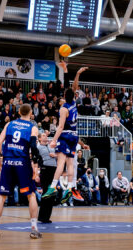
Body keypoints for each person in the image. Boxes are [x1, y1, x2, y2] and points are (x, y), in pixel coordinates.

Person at [0, 104, 42, 239]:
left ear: (19, 112)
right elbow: (33, 147)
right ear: (31, 113)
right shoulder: (33, 127)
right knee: (31, 195)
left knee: (2, 195)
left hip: (7, 161)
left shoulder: (10, 124)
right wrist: (35, 167)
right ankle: (34, 229)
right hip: (22, 162)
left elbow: (0, 141)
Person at [42, 66, 88, 204]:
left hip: (66, 135)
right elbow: (72, 86)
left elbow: (61, 126)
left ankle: (52, 187)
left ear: (63, 98)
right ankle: (69, 189)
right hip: (74, 136)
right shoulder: (73, 102)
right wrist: (76, 72)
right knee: (70, 164)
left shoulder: (63, 109)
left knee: (61, 163)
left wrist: (53, 140)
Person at [37, 133, 57, 223]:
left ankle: (47, 217)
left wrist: (55, 156)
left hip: (54, 170)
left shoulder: (51, 146)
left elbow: (59, 156)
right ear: (40, 138)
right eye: (44, 135)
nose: (46, 136)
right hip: (45, 170)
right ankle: (42, 217)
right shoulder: (38, 147)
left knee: (52, 193)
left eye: (46, 135)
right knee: (45, 192)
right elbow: (36, 160)